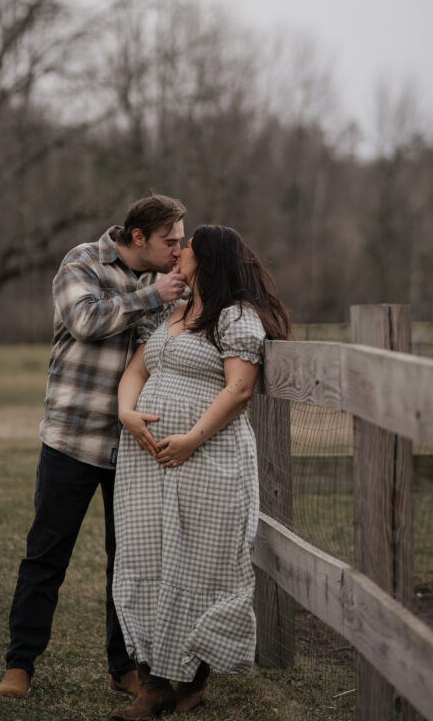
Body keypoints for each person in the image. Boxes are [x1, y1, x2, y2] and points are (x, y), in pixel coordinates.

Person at [0, 194, 188, 701]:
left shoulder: (165, 284)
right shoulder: (82, 261)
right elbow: (84, 321)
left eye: (182, 242)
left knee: (127, 562)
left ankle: (123, 666)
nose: (178, 250)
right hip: (71, 440)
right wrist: (154, 298)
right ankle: (20, 666)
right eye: (171, 241)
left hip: (133, 448)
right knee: (46, 555)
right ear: (138, 237)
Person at [111, 225, 291, 720]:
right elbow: (135, 372)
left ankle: (192, 677)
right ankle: (152, 681)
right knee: (146, 552)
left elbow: (238, 390)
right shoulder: (175, 311)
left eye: (187, 247)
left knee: (200, 560)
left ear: (207, 259)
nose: (179, 252)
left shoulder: (235, 318)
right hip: (146, 458)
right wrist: (128, 413)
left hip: (206, 457)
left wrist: (191, 439)